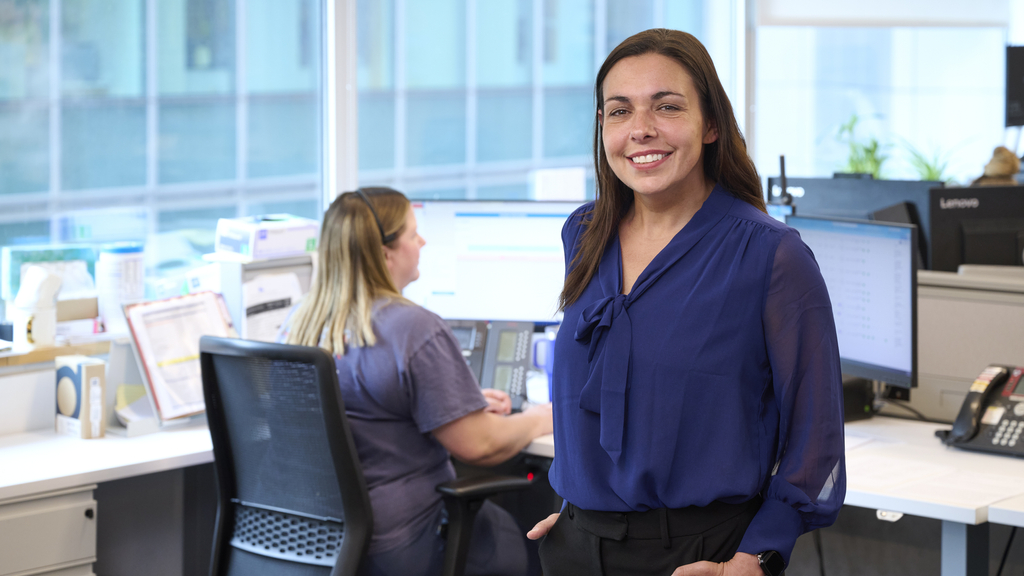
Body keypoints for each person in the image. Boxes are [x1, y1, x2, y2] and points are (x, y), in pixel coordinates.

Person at [526, 28, 846, 576]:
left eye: (667, 107)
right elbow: (602, 399)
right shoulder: (583, 233)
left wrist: (755, 560)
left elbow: (816, 438)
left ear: (712, 124)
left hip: (701, 557)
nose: (641, 130)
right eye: (619, 111)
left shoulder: (771, 256)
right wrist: (581, 510)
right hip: (577, 545)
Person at [280, 187, 553, 576]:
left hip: (313, 540)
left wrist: (457, 402)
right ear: (386, 252)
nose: (422, 241)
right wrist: (543, 418)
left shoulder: (299, 324)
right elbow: (481, 445)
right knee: (531, 541)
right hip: (409, 540)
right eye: (413, 233)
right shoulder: (413, 329)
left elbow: (363, 406)